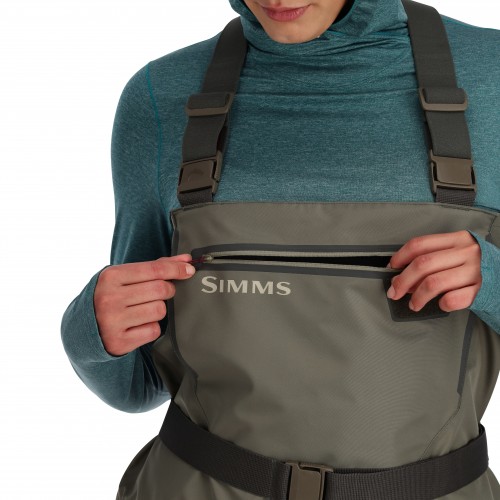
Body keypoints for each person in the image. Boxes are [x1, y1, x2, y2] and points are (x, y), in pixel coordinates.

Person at [61, 0, 500, 498]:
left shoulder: (490, 74)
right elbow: (138, 382)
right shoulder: (161, 95)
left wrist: (491, 278)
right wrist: (89, 330)